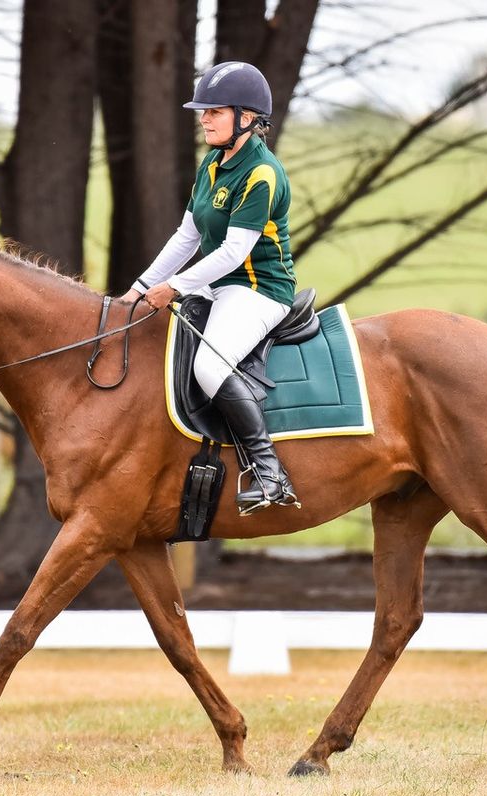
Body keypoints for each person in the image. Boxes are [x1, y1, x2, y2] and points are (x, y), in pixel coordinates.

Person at [120, 61, 298, 515]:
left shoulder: (263, 174)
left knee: (210, 368)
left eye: (215, 111)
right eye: (204, 111)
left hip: (258, 290)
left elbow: (234, 253)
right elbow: (188, 236)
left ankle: (269, 472)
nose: (204, 119)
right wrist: (138, 289)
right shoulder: (213, 162)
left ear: (247, 118)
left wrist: (172, 289)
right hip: (216, 285)